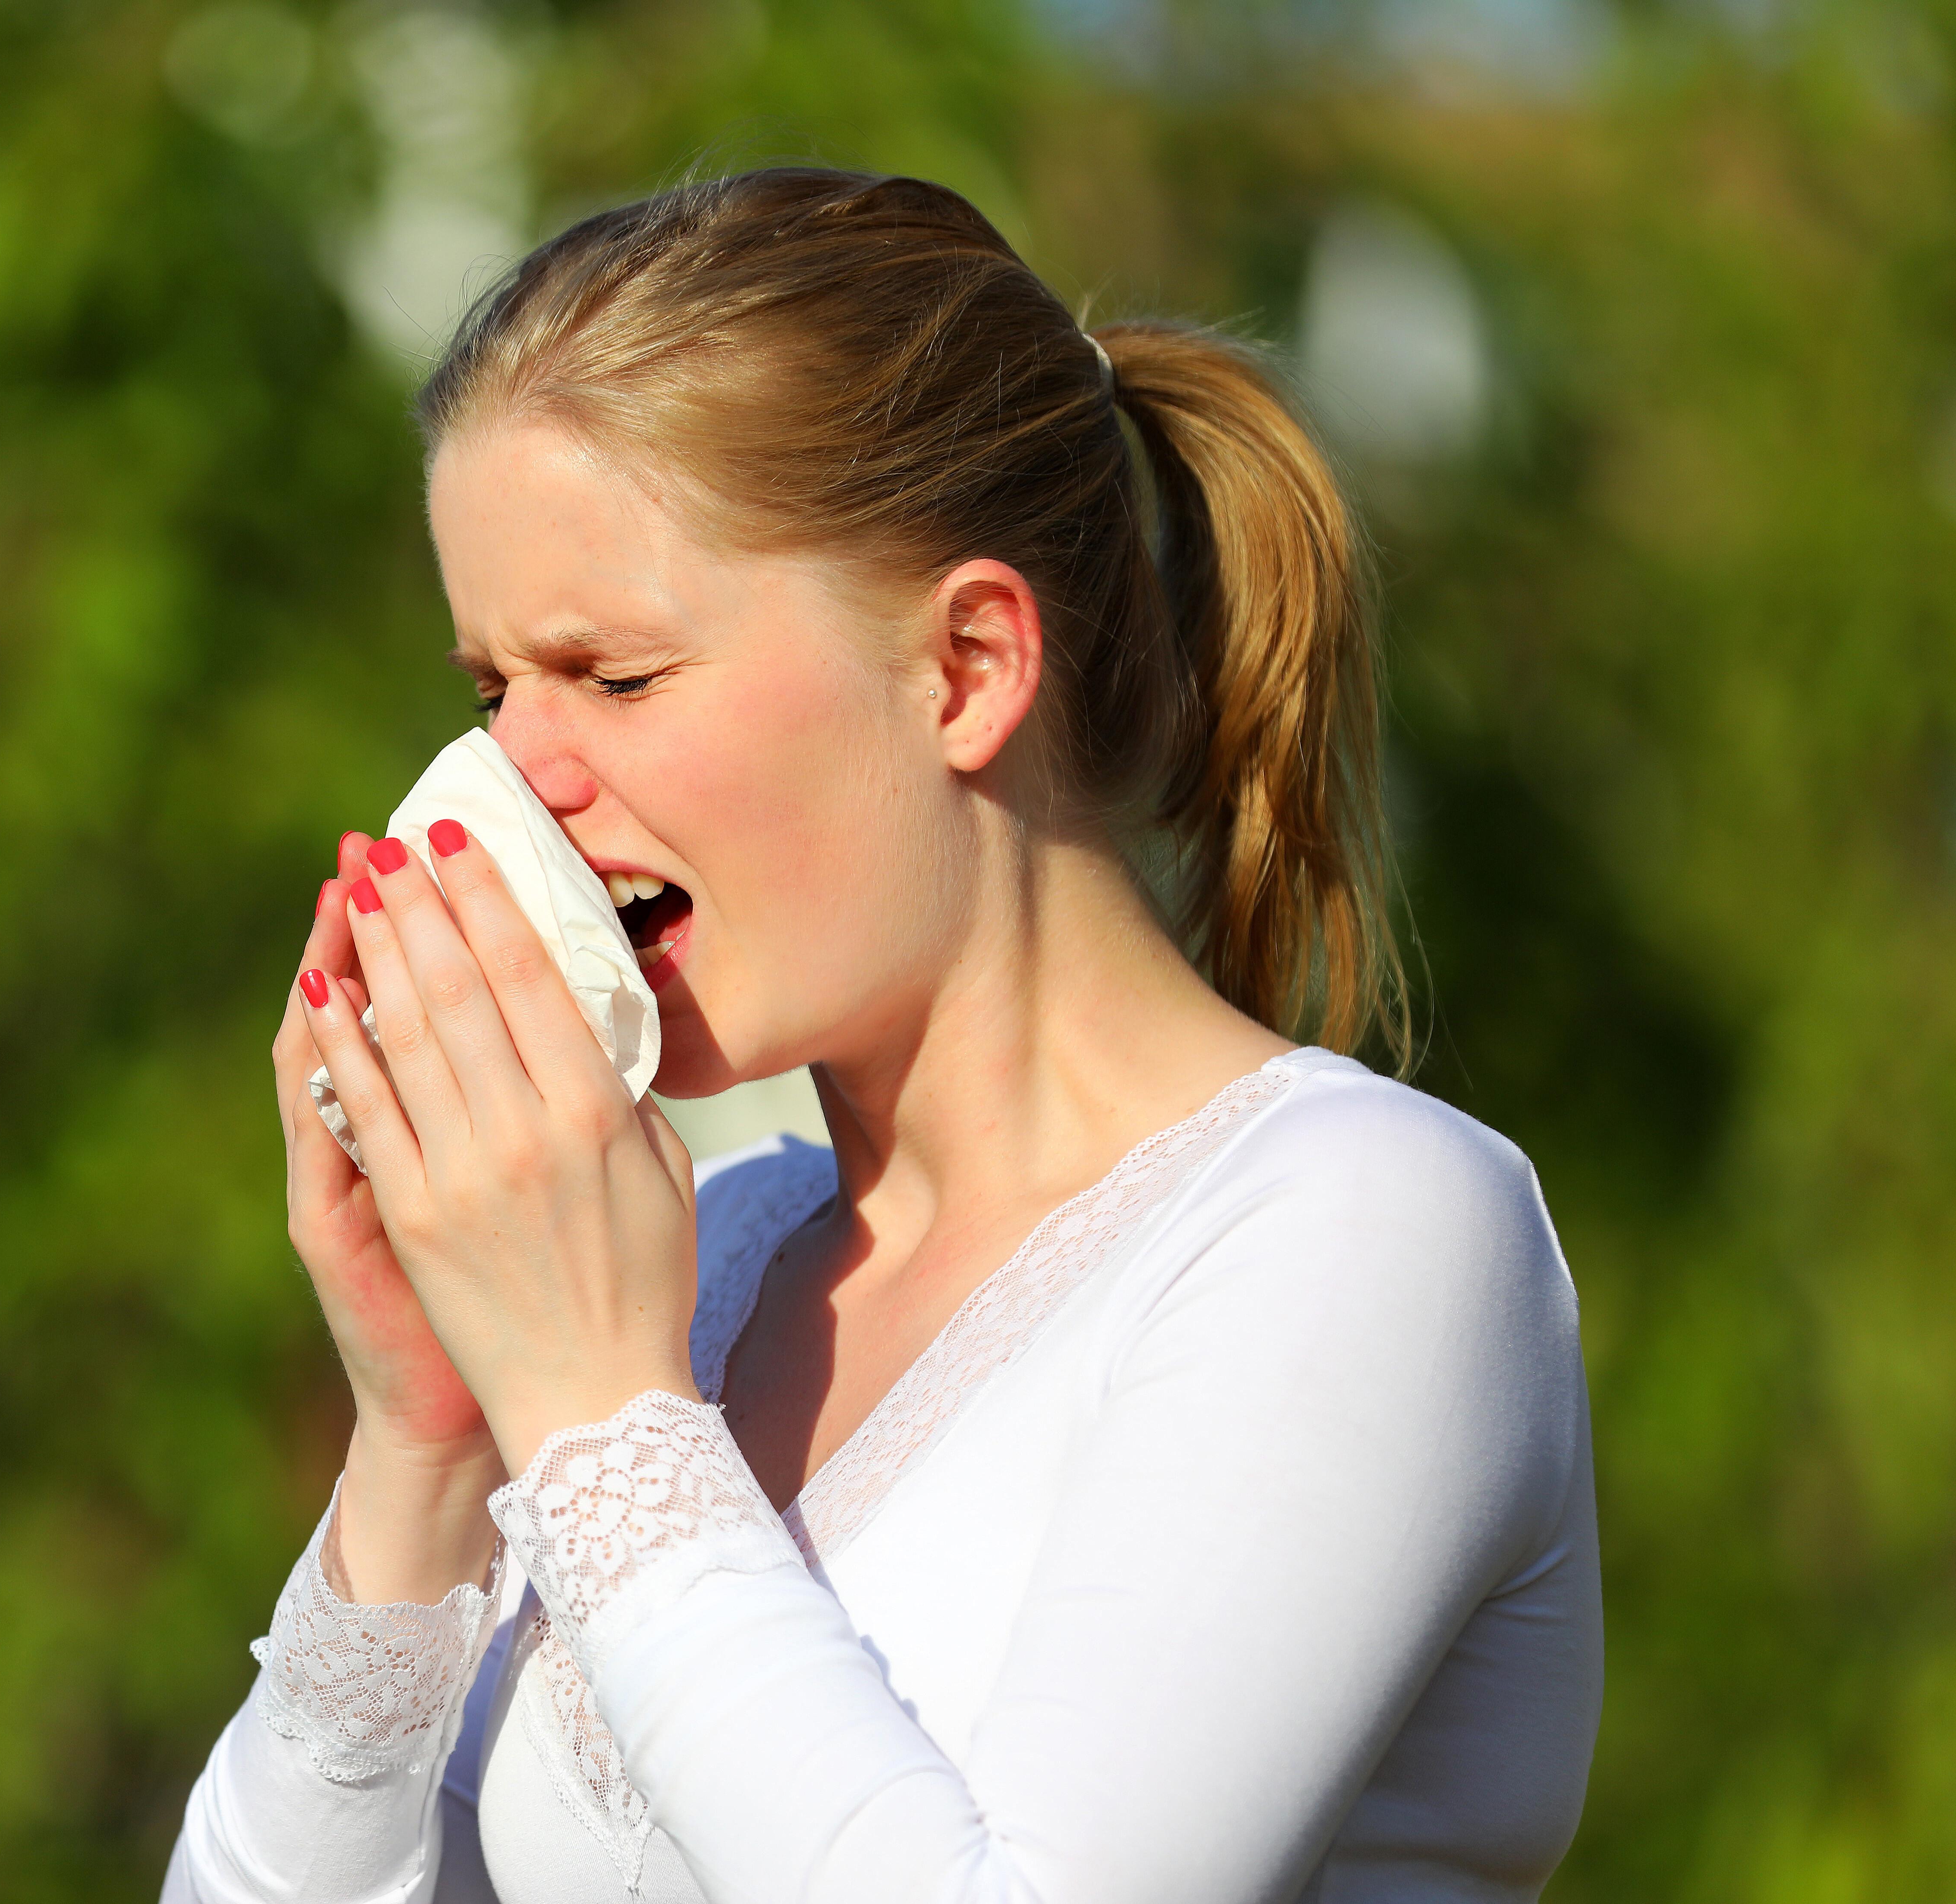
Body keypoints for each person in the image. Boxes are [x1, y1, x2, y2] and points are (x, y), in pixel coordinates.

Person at [163, 167, 1602, 1904]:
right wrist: (434, 1434)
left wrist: (594, 1408)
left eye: (610, 679)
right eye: (489, 694)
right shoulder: (717, 1254)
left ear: (966, 667)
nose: (507, 794)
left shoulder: (1354, 1229)